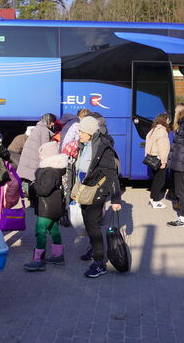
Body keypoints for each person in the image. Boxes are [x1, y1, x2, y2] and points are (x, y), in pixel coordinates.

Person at [74, 116, 122, 278]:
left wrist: (115, 200)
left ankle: (99, 263)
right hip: (85, 189)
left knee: (93, 226)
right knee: (88, 223)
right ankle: (94, 250)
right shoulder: (86, 144)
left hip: (97, 192)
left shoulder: (103, 148)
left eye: (81, 131)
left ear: (89, 132)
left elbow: (112, 175)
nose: (79, 133)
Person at [24, 142, 68, 271]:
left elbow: (44, 190)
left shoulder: (49, 171)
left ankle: (39, 260)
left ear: (48, 156)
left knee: (40, 232)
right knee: (54, 231)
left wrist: (32, 185)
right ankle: (58, 256)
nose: (39, 157)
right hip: (54, 207)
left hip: (46, 208)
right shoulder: (54, 169)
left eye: (41, 154)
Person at [17, 114, 56, 183]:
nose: (53, 124)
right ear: (48, 121)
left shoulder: (37, 128)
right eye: (52, 121)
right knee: (31, 186)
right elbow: (45, 149)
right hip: (33, 164)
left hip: (27, 163)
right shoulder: (44, 131)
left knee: (25, 185)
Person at [145, 113, 170, 209]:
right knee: (160, 181)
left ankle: (152, 198)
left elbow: (148, 143)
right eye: (167, 120)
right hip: (159, 159)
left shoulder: (153, 130)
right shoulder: (162, 131)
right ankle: (156, 201)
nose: (168, 122)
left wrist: (147, 154)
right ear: (164, 120)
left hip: (152, 158)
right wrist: (164, 161)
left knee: (155, 180)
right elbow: (163, 147)